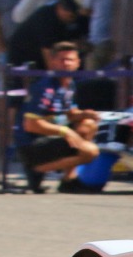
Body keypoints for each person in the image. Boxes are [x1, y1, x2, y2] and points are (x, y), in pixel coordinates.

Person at [19, 42, 103, 193]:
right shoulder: (45, 86)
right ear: (52, 62)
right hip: (32, 145)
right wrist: (66, 131)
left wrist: (84, 114)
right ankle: (35, 169)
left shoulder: (69, 84)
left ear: (78, 63)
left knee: (88, 124)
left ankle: (68, 180)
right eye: (61, 60)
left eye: (70, 60)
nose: (66, 63)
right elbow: (30, 125)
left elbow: (69, 113)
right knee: (90, 152)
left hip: (52, 138)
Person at [8, 0, 83, 69]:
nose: (72, 20)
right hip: (23, 58)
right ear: (60, 7)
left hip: (40, 58)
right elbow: (48, 57)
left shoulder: (67, 21)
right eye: (71, 16)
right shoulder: (46, 20)